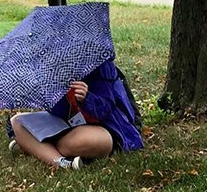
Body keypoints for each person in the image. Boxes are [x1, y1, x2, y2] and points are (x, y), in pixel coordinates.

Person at [9, 60, 143, 170]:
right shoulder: (54, 67)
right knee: (17, 121)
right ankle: (61, 162)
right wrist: (53, 93)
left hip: (106, 127)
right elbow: (57, 113)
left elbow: (107, 108)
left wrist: (87, 98)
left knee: (76, 143)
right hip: (66, 125)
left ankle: (37, 147)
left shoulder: (102, 65)